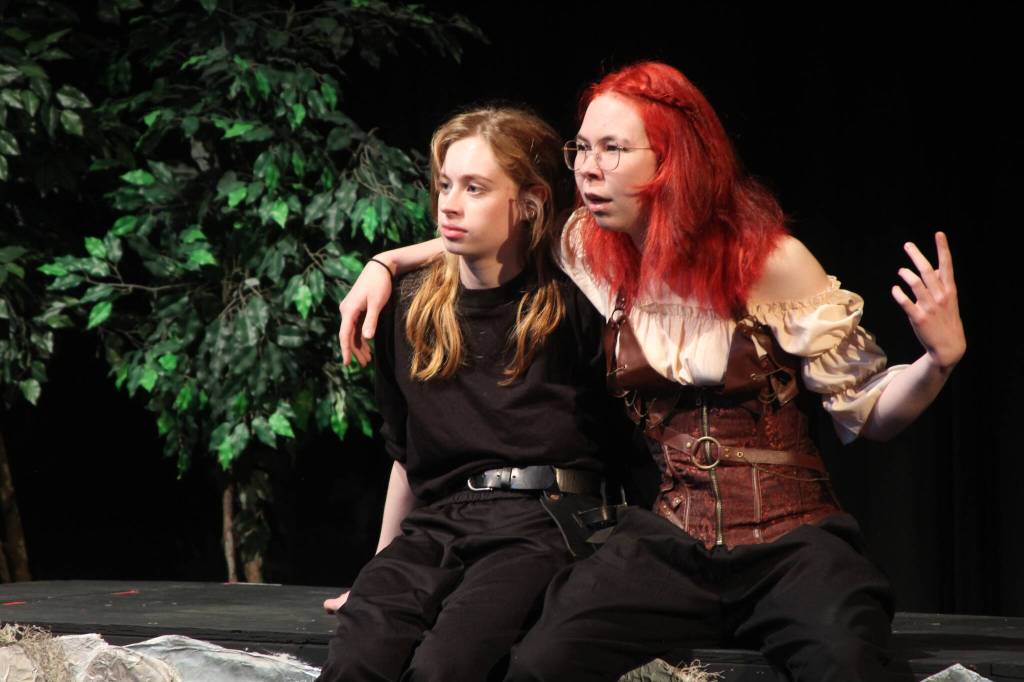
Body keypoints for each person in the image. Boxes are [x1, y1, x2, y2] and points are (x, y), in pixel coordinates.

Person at [334, 62, 965, 681]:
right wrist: (386, 264)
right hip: (671, 542)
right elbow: (491, 227)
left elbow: (869, 410)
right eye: (582, 148)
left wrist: (938, 361)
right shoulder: (590, 249)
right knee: (541, 662)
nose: (588, 167)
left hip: (788, 541)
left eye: (613, 149)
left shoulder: (770, 262)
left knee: (846, 661)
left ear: (672, 161)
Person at [317, 106, 631, 682]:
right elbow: (405, 455)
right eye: (445, 185)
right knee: (357, 657)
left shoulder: (571, 301)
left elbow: (625, 440)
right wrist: (380, 568)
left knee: (447, 666)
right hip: (440, 523)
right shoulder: (408, 307)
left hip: (542, 520)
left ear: (529, 202)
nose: (449, 204)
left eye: (475, 188)